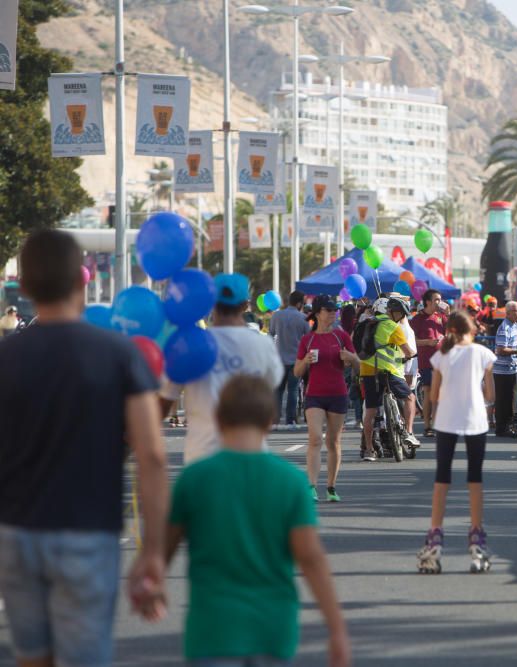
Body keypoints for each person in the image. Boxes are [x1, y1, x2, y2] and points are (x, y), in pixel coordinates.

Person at [0, 229, 168, 666]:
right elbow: (150, 454)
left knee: (32, 658)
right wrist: (153, 551)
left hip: (16, 532)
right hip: (88, 531)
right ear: (83, 281)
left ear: (27, 288)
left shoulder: (6, 357)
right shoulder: (118, 354)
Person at [166, 375, 351, 667]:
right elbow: (311, 558)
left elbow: (163, 547)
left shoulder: (194, 479)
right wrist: (336, 629)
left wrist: (150, 581)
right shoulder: (290, 482)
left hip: (212, 630)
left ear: (218, 417)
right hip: (273, 628)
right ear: (270, 420)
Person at [161, 274, 284, 464]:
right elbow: (269, 390)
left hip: (201, 460)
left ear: (211, 303)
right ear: (245, 305)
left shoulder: (190, 345)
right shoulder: (263, 344)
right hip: (251, 460)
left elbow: (164, 401)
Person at [417, 311, 496, 574]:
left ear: (449, 329)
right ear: (471, 328)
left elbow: (435, 393)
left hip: (447, 418)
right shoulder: (482, 353)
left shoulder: (442, 355)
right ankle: (476, 537)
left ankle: (435, 536)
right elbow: (490, 392)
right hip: (475, 418)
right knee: (475, 478)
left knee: (442, 479)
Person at [294, 294, 360, 503]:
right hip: (314, 394)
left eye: (335, 310)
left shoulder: (342, 336)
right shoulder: (308, 339)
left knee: (333, 442)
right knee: (315, 438)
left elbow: (358, 365)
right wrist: (305, 360)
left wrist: (351, 358)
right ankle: (311, 486)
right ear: (318, 313)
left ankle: (331, 487)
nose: (333, 313)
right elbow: (296, 372)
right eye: (329, 310)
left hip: (338, 394)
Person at [360, 297, 419, 461]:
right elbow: (408, 352)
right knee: (410, 397)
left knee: (370, 410)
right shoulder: (393, 326)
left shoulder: (365, 324)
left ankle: (369, 450)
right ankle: (409, 432)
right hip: (387, 370)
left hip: (367, 371)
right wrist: (411, 355)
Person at [270, 290, 311, 427]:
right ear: (299, 303)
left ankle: (275, 421)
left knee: (278, 391)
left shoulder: (277, 316)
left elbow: (271, 333)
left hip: (279, 359)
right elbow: (309, 338)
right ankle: (290, 420)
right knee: (293, 390)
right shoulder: (303, 318)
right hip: (296, 360)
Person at [411, 289, 446, 436]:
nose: (439, 302)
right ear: (428, 302)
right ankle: (427, 425)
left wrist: (449, 314)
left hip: (442, 361)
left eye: (440, 299)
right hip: (426, 362)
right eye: (437, 299)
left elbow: (452, 332)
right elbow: (410, 341)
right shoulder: (417, 319)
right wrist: (427, 342)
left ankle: (438, 424)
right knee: (428, 392)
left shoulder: (441, 317)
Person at [493, 300, 517, 438]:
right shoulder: (505, 327)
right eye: (516, 311)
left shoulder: (515, 325)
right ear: (508, 313)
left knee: (511, 399)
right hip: (502, 370)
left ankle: (508, 426)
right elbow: (501, 349)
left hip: (512, 368)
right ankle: (501, 428)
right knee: (503, 400)